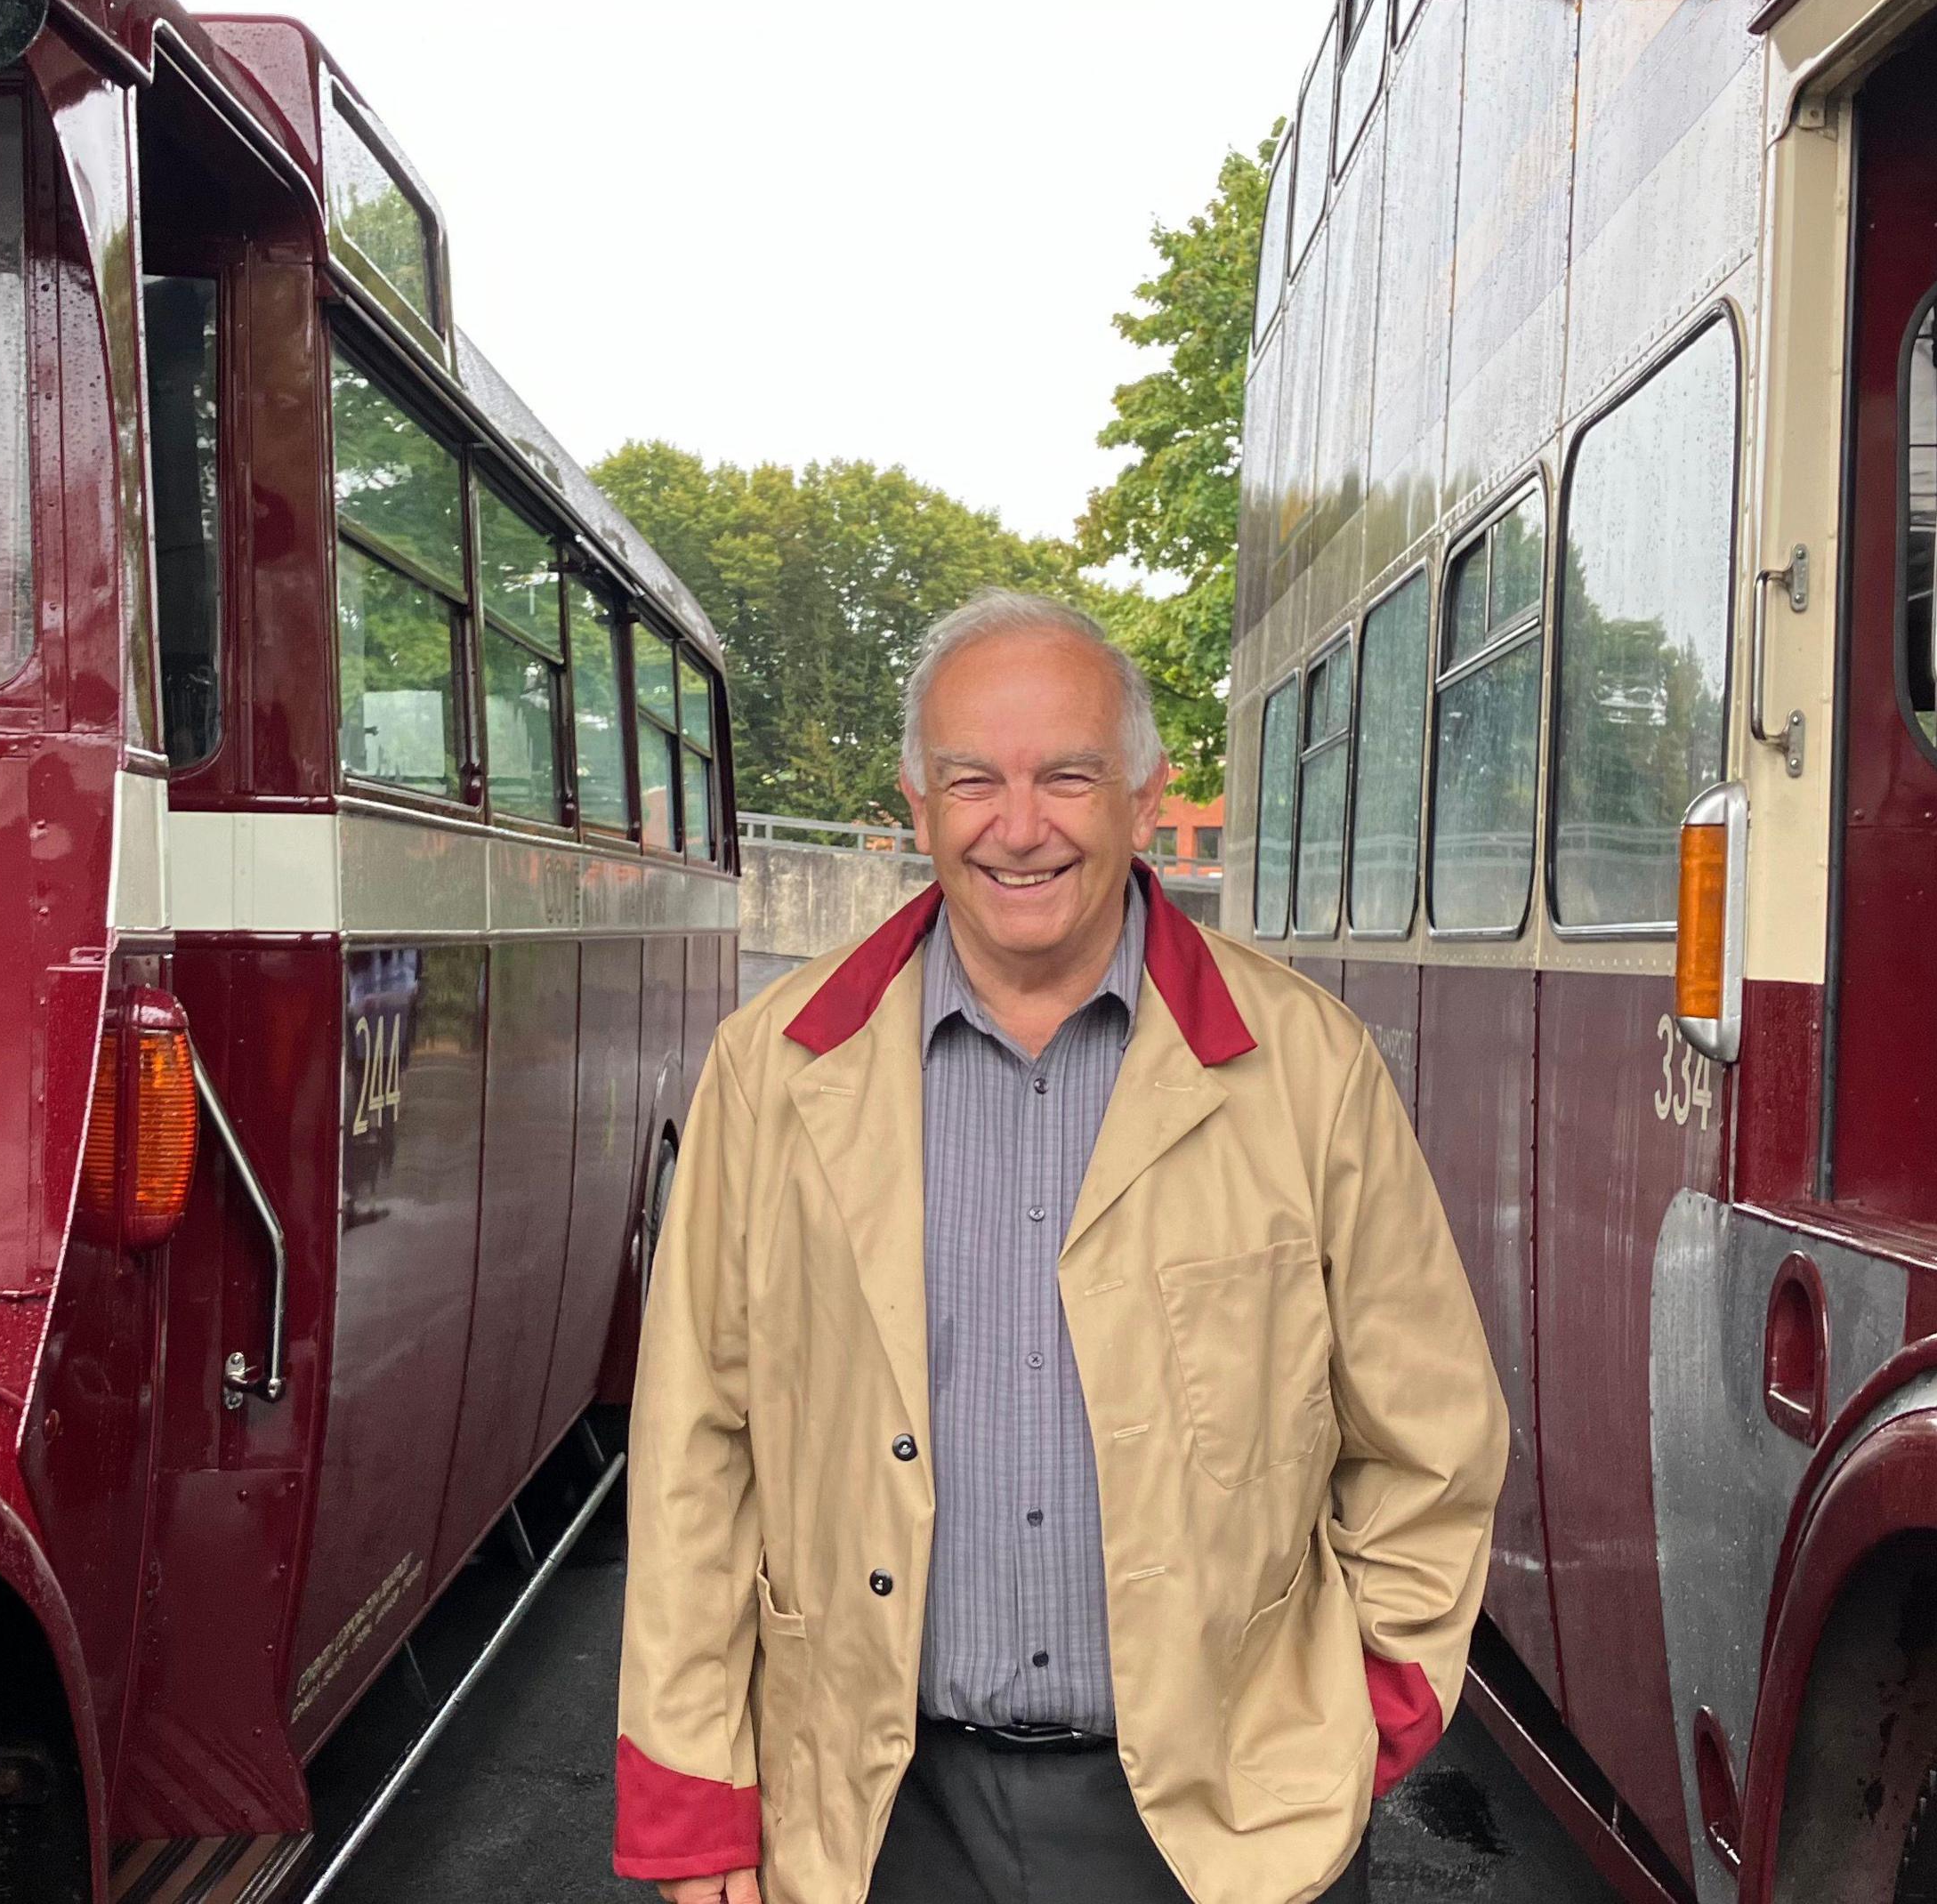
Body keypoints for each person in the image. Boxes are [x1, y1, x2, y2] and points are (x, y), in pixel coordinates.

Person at [611, 591, 1508, 1904]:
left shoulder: (1305, 1067)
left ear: (1145, 798)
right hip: (873, 1820)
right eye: (973, 779)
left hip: (1226, 1830)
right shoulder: (776, 1069)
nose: (1018, 827)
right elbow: (695, 1447)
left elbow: (1431, 1434)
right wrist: (699, 1806)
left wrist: (1361, 1711)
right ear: (916, 806)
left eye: (1067, 776)